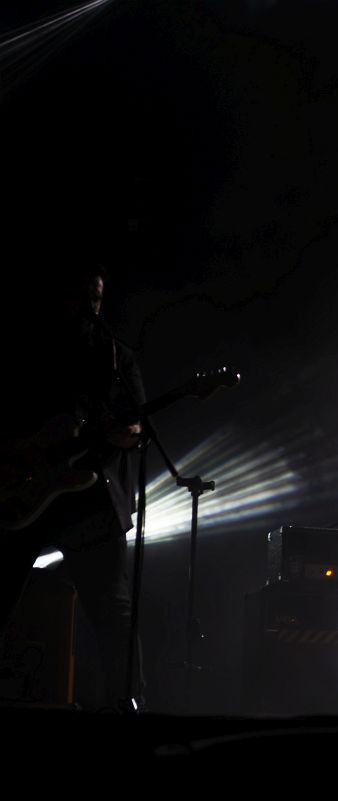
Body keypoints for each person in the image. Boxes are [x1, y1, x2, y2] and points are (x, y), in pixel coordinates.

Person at [0, 265, 146, 710]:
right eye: (82, 297)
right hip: (27, 491)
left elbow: (137, 426)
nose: (90, 308)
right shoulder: (32, 349)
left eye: (97, 299)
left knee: (112, 608)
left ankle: (126, 703)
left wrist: (128, 433)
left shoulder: (116, 357)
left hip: (90, 500)